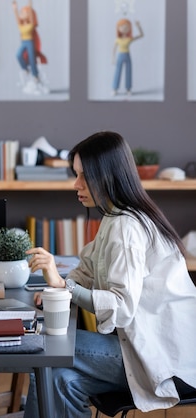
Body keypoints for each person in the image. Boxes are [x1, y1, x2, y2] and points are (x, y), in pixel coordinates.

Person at [23, 131, 196, 417]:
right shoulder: (116, 217)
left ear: (108, 175)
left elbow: (122, 307)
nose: (76, 184)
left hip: (161, 357)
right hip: (148, 347)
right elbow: (89, 269)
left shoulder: (125, 227)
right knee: (60, 380)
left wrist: (64, 286)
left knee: (45, 350)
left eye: (84, 176)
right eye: (75, 174)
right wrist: (60, 286)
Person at [12, 0, 48, 95]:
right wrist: (15, 8)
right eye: (21, 12)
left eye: (23, 12)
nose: (21, 14)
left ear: (28, 14)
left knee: (32, 60)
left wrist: (30, 2)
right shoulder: (20, 24)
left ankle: (35, 76)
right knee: (18, 55)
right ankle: (25, 69)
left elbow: (31, 14)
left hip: (30, 42)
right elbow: (16, 16)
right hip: (23, 42)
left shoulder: (31, 24)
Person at [112, 18, 144, 96]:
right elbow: (114, 49)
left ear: (129, 28)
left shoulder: (129, 39)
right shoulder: (117, 39)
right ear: (118, 28)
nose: (124, 28)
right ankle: (115, 89)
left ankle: (128, 89)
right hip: (120, 56)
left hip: (127, 55)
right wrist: (113, 58)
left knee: (128, 71)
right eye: (122, 27)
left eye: (126, 27)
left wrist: (139, 26)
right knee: (117, 72)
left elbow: (141, 35)